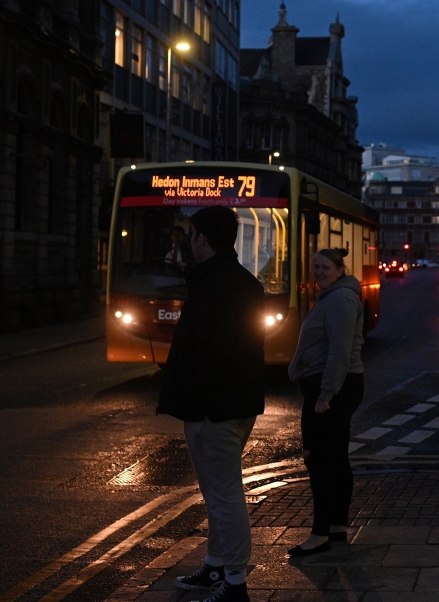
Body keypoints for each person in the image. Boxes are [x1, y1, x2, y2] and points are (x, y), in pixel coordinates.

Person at [158, 206, 265, 602]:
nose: (189, 241)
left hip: (212, 409)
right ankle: (217, 564)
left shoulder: (214, 286)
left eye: (192, 234)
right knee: (218, 493)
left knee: (224, 496)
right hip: (234, 404)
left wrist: (183, 390)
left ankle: (235, 583)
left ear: (201, 238)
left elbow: (209, 352)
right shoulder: (242, 282)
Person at [286, 248, 365, 557]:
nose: (318, 272)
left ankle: (319, 535)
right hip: (329, 388)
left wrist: (326, 394)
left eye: (325, 267)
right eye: (315, 266)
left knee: (319, 460)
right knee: (334, 458)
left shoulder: (342, 300)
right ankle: (336, 527)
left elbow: (340, 351)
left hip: (333, 389)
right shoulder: (331, 297)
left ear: (339, 270)